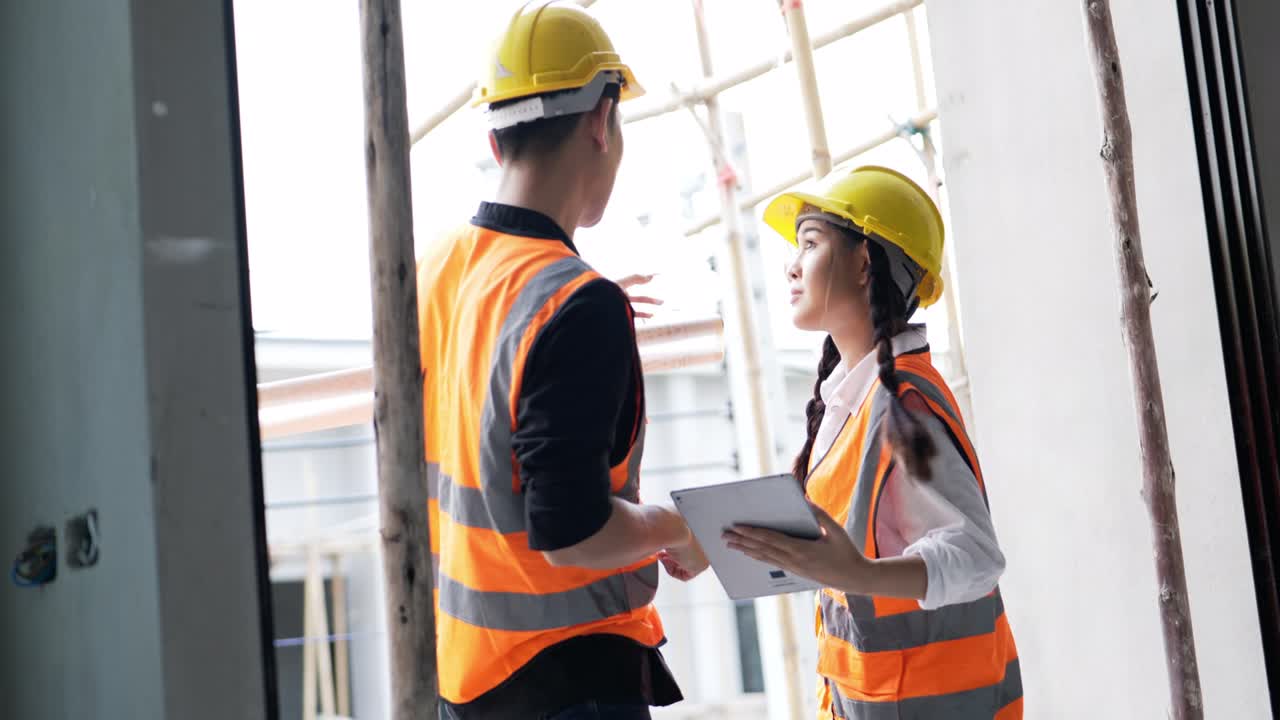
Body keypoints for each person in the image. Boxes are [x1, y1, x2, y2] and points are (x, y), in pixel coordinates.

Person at [416, 3, 708, 719]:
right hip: (569, 680)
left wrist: (586, 321)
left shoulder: (438, 267)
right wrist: (677, 525)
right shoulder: (573, 305)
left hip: (466, 677)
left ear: (494, 137)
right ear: (601, 122)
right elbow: (572, 534)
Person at [723, 166, 1022, 718]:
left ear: (863, 264)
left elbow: (977, 556)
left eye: (810, 243)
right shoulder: (854, 402)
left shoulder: (902, 401)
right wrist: (716, 542)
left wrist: (855, 574)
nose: (791, 265)